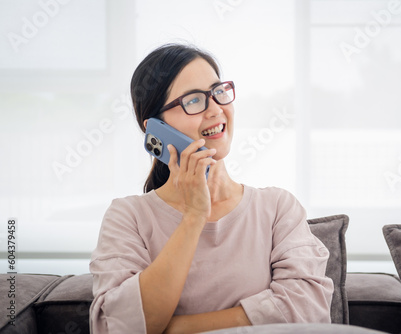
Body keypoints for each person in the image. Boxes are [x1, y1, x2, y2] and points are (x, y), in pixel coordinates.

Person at [89, 43, 334, 334]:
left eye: (218, 92)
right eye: (193, 100)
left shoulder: (278, 208)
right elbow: (114, 326)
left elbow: (308, 313)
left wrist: (175, 330)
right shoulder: (128, 216)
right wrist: (193, 217)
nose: (216, 109)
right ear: (154, 128)